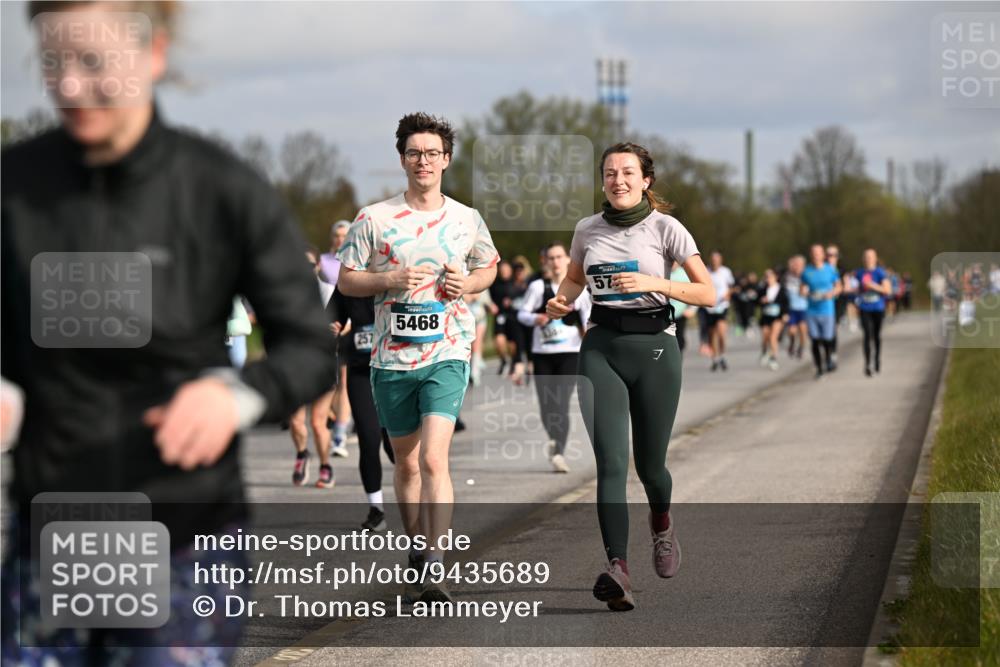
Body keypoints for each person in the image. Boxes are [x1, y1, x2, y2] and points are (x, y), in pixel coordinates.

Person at [1, 3, 336, 663]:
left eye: (92, 61)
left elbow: (309, 344)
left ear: (152, 53)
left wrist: (236, 395)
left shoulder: (220, 190)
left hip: (184, 541)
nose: (69, 85)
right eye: (52, 62)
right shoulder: (13, 188)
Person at [337, 112, 499, 604]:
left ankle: (435, 560)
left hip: (448, 349)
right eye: (414, 153)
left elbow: (488, 267)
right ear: (402, 159)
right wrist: (387, 279)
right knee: (406, 465)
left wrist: (467, 283)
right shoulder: (374, 218)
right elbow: (346, 279)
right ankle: (416, 546)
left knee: (433, 458)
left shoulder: (466, 218)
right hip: (391, 357)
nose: (423, 161)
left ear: (446, 160)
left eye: (432, 153)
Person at [546, 142, 715, 611]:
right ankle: (617, 569)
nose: (617, 180)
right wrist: (561, 301)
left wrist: (653, 283)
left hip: (656, 350)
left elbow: (708, 292)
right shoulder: (587, 229)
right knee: (611, 463)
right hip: (601, 348)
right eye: (609, 173)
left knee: (651, 468)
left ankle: (661, 522)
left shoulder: (666, 228)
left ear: (645, 180)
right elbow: (574, 279)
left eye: (627, 172)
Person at [517, 241, 592, 473]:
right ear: (545, 262)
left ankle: (558, 451)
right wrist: (536, 318)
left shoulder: (579, 289)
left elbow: (588, 319)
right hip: (543, 354)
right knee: (546, 405)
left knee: (560, 402)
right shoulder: (538, 287)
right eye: (551, 258)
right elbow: (521, 314)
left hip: (570, 352)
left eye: (559, 257)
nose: (556, 262)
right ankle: (553, 437)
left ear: (568, 259)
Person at [330, 287, 397, 530]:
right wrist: (332, 328)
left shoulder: (394, 277)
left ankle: (420, 493)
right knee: (369, 439)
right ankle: (376, 509)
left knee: (395, 444)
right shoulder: (348, 284)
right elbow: (331, 318)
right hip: (360, 370)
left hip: (394, 369)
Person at [289, 251, 339, 488]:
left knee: (318, 424)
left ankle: (326, 465)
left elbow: (346, 322)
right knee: (296, 422)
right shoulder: (286, 293)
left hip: (323, 363)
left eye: (309, 264)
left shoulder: (328, 290)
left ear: (318, 265)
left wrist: (337, 328)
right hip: (295, 365)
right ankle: (302, 454)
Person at [321, 221, 354, 459]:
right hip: (327, 324)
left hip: (350, 325)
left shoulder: (355, 259)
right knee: (329, 382)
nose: (341, 239)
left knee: (343, 381)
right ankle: (335, 416)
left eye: (345, 235)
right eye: (337, 235)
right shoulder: (323, 262)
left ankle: (340, 433)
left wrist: (350, 321)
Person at [801, 244, 842, 378]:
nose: (816, 255)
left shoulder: (830, 270)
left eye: (818, 253)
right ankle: (819, 368)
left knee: (827, 339)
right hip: (812, 310)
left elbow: (839, 287)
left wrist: (832, 293)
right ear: (811, 255)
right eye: (813, 253)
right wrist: (804, 291)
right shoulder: (806, 271)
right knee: (814, 340)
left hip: (827, 310)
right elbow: (802, 288)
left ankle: (829, 358)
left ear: (823, 255)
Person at [852, 249, 892, 376]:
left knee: (876, 336)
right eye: (866, 257)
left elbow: (887, 290)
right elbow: (852, 289)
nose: (868, 259)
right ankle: (867, 363)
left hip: (878, 308)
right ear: (863, 259)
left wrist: (873, 286)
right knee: (867, 335)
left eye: (870, 257)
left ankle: (877, 360)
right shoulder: (859, 273)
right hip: (864, 308)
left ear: (875, 258)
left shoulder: (880, 272)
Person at [706, 251, 735, 371]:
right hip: (709, 307)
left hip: (722, 306)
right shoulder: (706, 271)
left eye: (717, 260)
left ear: (720, 260)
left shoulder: (726, 272)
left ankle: (722, 356)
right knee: (712, 334)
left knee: (721, 332)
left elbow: (732, 287)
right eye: (713, 260)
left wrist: (728, 294)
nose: (715, 262)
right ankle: (715, 359)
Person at [757, 268, 788, 371]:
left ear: (775, 277)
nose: (768, 279)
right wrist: (762, 301)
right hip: (766, 316)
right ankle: (764, 351)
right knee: (765, 337)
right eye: (766, 277)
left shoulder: (781, 289)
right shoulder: (762, 289)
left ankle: (773, 358)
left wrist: (785, 313)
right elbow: (756, 301)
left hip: (777, 317)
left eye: (770, 277)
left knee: (773, 337)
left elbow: (786, 302)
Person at [489, 260, 516, 375]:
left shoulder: (515, 283)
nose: (504, 272)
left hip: (513, 316)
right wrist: (490, 305)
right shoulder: (494, 283)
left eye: (506, 270)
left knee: (512, 342)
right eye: (502, 270)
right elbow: (487, 297)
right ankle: (504, 359)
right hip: (499, 315)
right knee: (498, 340)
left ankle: (514, 361)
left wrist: (512, 301)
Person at [784, 255, 809, 359]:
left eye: (799, 264)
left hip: (804, 308)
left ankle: (801, 348)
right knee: (791, 331)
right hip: (791, 308)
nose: (797, 266)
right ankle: (792, 343)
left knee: (803, 331)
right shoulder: (787, 277)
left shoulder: (807, 276)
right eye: (795, 264)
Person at [668, 262, 694, 354]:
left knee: (679, 340)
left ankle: (678, 359)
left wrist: (692, 309)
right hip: (664, 314)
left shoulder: (685, 274)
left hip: (680, 314)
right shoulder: (662, 272)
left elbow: (694, 292)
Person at [825, 244, 845, 366]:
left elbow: (846, 286)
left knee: (832, 329)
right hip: (822, 303)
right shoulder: (820, 269)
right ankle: (827, 352)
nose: (831, 257)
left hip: (837, 303)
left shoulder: (842, 271)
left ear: (838, 257)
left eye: (834, 255)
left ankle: (832, 352)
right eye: (828, 255)